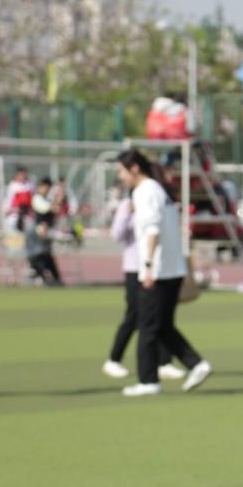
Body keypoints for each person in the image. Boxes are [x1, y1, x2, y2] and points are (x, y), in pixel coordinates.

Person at [116, 149, 212, 397]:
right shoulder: (159, 190)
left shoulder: (144, 191)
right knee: (162, 325)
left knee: (147, 326)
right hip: (173, 268)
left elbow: (151, 230)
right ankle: (196, 364)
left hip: (157, 270)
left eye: (122, 171)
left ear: (135, 168)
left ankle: (148, 380)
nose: (121, 176)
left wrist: (147, 266)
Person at [103, 193, 184, 382]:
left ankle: (165, 362)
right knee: (133, 315)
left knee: (160, 316)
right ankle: (114, 359)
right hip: (135, 267)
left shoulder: (155, 200)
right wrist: (129, 214)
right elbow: (117, 234)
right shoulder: (128, 204)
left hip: (156, 268)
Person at [25, 179, 63, 286]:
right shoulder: (37, 199)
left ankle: (54, 279)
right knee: (37, 255)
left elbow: (56, 209)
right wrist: (57, 200)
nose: (46, 190)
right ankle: (42, 277)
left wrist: (59, 198)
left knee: (46, 255)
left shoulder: (47, 199)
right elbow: (49, 208)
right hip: (35, 233)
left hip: (44, 234)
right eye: (45, 187)